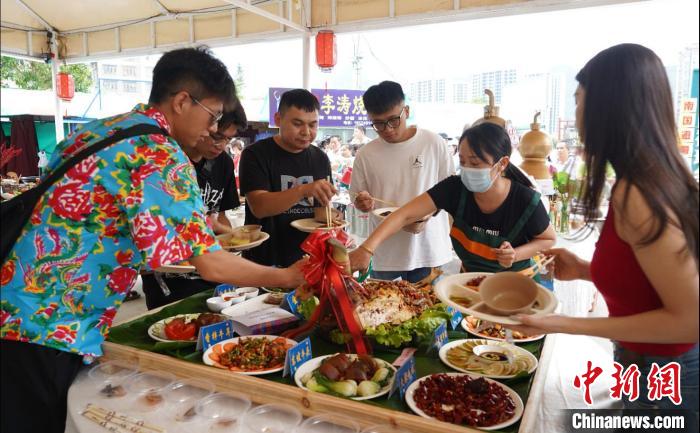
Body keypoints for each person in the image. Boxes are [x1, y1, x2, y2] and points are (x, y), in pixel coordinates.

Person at [0, 47, 305, 433]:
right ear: (182, 101)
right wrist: (288, 277)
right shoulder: (158, 152)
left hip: (15, 301)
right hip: (48, 323)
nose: (213, 130)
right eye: (212, 116)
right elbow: (209, 262)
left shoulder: (104, 128)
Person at [510, 44, 699, 411]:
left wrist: (563, 323)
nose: (576, 113)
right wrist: (585, 271)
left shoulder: (638, 194)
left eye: (579, 100)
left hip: (664, 376)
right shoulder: (653, 178)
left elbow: (688, 320)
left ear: (608, 107)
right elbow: (653, 285)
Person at [350, 122, 556, 275]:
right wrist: (367, 248)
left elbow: (548, 239)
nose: (467, 170)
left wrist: (516, 255)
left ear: (502, 164)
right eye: (463, 161)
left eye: (475, 164)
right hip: (468, 284)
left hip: (514, 287)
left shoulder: (525, 200)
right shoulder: (455, 188)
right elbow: (404, 215)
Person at [141, 104, 246, 310]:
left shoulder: (223, 162)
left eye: (228, 139)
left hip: (214, 274)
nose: (221, 145)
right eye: (218, 137)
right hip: (169, 280)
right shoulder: (166, 161)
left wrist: (231, 241)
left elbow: (220, 214)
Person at [350, 81, 454, 282]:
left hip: (428, 251)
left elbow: (449, 192)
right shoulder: (366, 153)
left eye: (393, 120)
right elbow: (357, 196)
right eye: (378, 124)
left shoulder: (433, 143)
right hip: (385, 254)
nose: (387, 129)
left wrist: (427, 215)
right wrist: (361, 202)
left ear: (406, 111)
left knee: (431, 311)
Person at [239, 89, 336, 267]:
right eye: (297, 123)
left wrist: (335, 219)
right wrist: (303, 190)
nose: (306, 132)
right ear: (278, 119)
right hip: (265, 262)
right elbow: (259, 207)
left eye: (313, 125)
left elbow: (321, 211)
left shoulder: (320, 158)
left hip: (310, 259)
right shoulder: (255, 154)